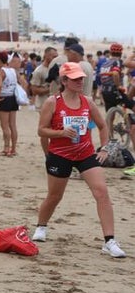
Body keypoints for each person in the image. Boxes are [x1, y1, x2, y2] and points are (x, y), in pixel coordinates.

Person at [33, 63, 126, 258]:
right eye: (75, 79)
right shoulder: (53, 102)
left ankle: (109, 241)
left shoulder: (88, 102)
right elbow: (42, 130)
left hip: (85, 153)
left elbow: (102, 126)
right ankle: (41, 226)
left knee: (101, 192)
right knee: (54, 196)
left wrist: (104, 148)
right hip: (60, 154)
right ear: (64, 81)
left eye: (81, 78)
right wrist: (61, 132)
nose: (80, 81)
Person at [0, 51, 20, 156]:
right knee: (12, 125)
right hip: (13, 98)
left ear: (0, 61)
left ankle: (6, 148)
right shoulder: (13, 70)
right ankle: (13, 149)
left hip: (4, 98)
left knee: (4, 125)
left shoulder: (1, 71)